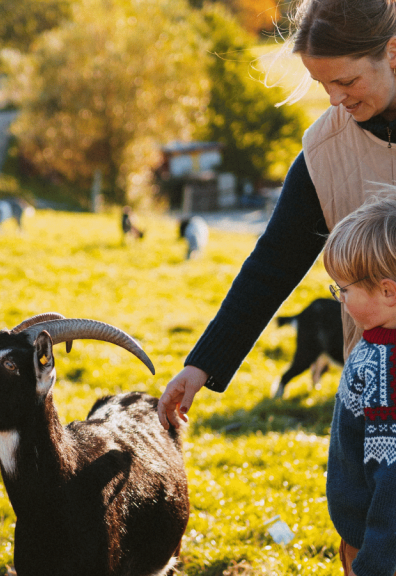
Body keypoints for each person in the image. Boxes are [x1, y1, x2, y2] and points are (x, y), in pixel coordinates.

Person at [158, 0, 396, 427]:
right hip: (374, 390)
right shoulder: (325, 151)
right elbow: (273, 265)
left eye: (346, 80)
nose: (336, 99)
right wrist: (202, 364)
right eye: (323, 85)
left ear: (392, 52)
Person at [322, 195, 396, 576]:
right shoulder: (377, 347)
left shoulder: (387, 370)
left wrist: (374, 565)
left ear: (388, 292)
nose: (340, 298)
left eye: (344, 290)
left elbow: (393, 480)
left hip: (378, 545)